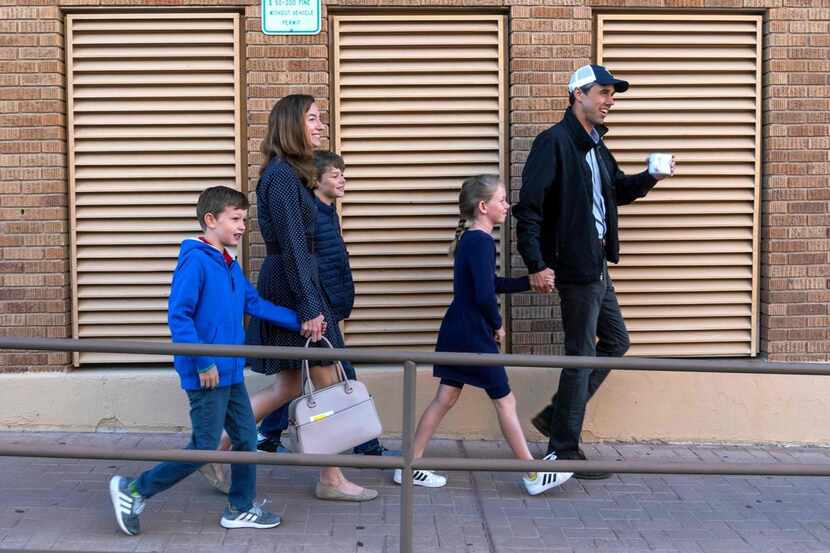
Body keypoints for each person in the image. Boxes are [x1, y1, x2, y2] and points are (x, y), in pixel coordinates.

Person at [108, 186, 302, 536]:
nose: (243, 226)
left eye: (245, 219)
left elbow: (254, 304)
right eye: (235, 219)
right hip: (207, 373)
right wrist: (202, 362)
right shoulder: (195, 261)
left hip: (230, 371)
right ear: (210, 220)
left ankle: (240, 508)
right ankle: (134, 490)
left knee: (245, 439)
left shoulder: (229, 264)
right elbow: (179, 317)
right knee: (203, 446)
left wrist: (301, 320)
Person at [513, 64, 674, 479]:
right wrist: (537, 264)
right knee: (580, 354)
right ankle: (563, 450)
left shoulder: (597, 146)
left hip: (597, 262)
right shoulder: (553, 142)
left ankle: (556, 419)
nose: (610, 101)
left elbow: (616, 191)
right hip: (574, 265)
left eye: (612, 94)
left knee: (616, 341)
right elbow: (528, 210)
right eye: (603, 92)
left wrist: (651, 176)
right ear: (577, 95)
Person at [216, 94, 377, 502]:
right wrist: (309, 307)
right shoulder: (283, 176)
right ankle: (331, 478)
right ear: (291, 125)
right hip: (293, 286)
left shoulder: (285, 173)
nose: (320, 126)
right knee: (327, 379)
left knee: (289, 386)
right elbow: (292, 245)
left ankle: (212, 450)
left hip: (293, 282)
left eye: (320, 119)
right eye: (312, 119)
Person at [394, 175, 573, 496]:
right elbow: (484, 295)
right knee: (505, 400)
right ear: (483, 206)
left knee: (445, 397)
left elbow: (489, 285)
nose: (507, 206)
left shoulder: (474, 240)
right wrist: (498, 323)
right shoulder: (479, 242)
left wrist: (530, 280)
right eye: (502, 200)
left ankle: (408, 465)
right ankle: (532, 474)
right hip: (473, 334)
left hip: (460, 330)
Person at [256, 151, 395, 457]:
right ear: (314, 181)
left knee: (295, 380)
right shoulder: (311, 214)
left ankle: (263, 436)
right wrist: (318, 309)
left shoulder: (326, 212)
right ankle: (365, 446)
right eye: (334, 175)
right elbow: (313, 265)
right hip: (318, 307)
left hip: (322, 305)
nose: (342, 179)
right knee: (338, 377)